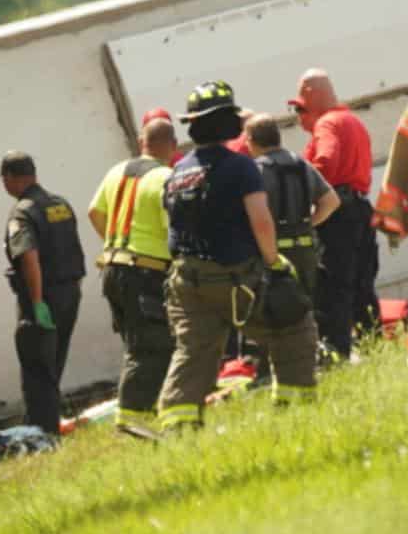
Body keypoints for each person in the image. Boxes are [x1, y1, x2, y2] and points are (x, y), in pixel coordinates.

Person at [157, 81, 320, 432]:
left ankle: (177, 427)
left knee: (194, 351)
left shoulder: (178, 172)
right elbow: (261, 220)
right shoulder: (241, 167)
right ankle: (295, 409)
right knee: (293, 325)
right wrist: (275, 263)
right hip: (234, 277)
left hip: (186, 281)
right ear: (225, 123)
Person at [88, 118, 179, 430]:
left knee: (135, 342)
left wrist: (114, 244)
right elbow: (173, 231)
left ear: (142, 143)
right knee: (152, 345)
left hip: (113, 269)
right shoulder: (167, 177)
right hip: (145, 272)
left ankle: (143, 413)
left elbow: (94, 212)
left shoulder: (117, 171)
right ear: (173, 146)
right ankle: (133, 419)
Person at [289, 69, 378, 358]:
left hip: (338, 214)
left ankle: (338, 350)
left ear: (312, 94)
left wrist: (304, 194)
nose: (298, 114)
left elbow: (326, 160)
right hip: (361, 208)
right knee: (363, 281)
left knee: (335, 283)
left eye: (301, 104)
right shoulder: (353, 120)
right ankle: (372, 341)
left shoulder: (327, 124)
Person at [0, 151, 86, 438]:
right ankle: (46, 426)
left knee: (38, 371)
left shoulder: (23, 211)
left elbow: (29, 257)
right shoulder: (60, 204)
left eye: (3, 178)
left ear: (11, 178)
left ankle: (42, 436)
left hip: (43, 298)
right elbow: (73, 250)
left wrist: (36, 303)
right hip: (70, 293)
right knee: (53, 365)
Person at [242, 114, 339, 355]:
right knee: (305, 309)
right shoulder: (301, 164)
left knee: (274, 312)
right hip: (306, 250)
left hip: (274, 253)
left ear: (251, 140)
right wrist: (309, 224)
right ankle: (312, 357)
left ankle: (278, 363)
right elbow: (331, 201)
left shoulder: (255, 171)